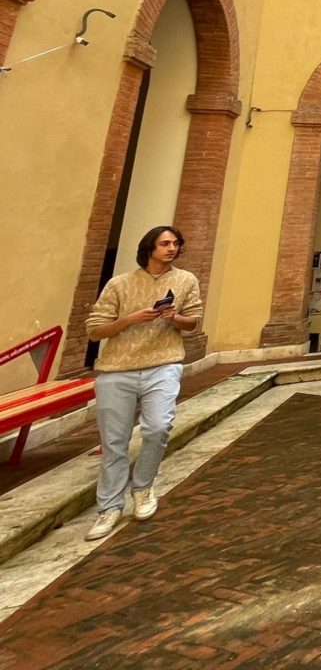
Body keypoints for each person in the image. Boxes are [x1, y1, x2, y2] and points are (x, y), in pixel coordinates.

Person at [83, 225, 203, 541]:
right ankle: (109, 507)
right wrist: (131, 319)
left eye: (176, 243)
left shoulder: (185, 280)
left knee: (159, 427)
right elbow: (95, 330)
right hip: (116, 370)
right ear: (149, 247)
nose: (172, 248)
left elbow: (193, 323)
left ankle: (143, 487)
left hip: (163, 364)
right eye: (165, 243)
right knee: (114, 441)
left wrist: (173, 318)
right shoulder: (120, 284)